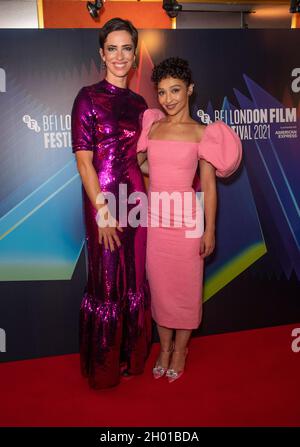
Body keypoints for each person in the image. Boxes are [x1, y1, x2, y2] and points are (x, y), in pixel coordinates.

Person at [137, 57, 242, 382]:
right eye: (162, 92)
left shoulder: (203, 133)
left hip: (187, 222)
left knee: (185, 290)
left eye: (175, 90)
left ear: (190, 90)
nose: (168, 98)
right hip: (156, 221)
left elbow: (209, 187)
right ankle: (164, 348)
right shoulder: (153, 125)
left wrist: (209, 230)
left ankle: (180, 350)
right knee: (161, 288)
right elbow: (145, 166)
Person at [71, 18, 151, 389]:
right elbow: (84, 162)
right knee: (106, 281)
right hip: (101, 199)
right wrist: (102, 212)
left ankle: (131, 358)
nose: (120, 56)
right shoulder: (87, 97)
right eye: (113, 48)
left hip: (135, 196)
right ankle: (103, 368)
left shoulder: (140, 103)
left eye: (127, 49)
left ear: (135, 56)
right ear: (102, 54)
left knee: (134, 277)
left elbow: (142, 159)